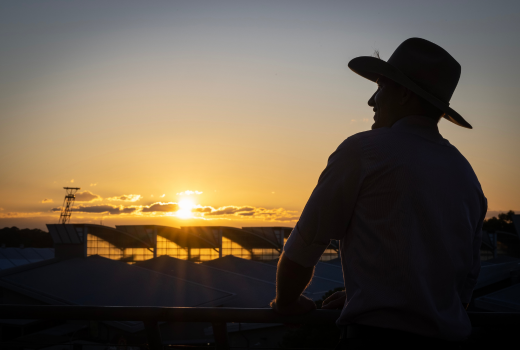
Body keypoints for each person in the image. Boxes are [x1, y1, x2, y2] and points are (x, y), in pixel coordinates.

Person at [270, 38, 487, 349]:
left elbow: (306, 243)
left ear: (403, 93)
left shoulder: (363, 151)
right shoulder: (466, 175)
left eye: (381, 87)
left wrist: (286, 302)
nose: (372, 101)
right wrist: (371, 293)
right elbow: (462, 289)